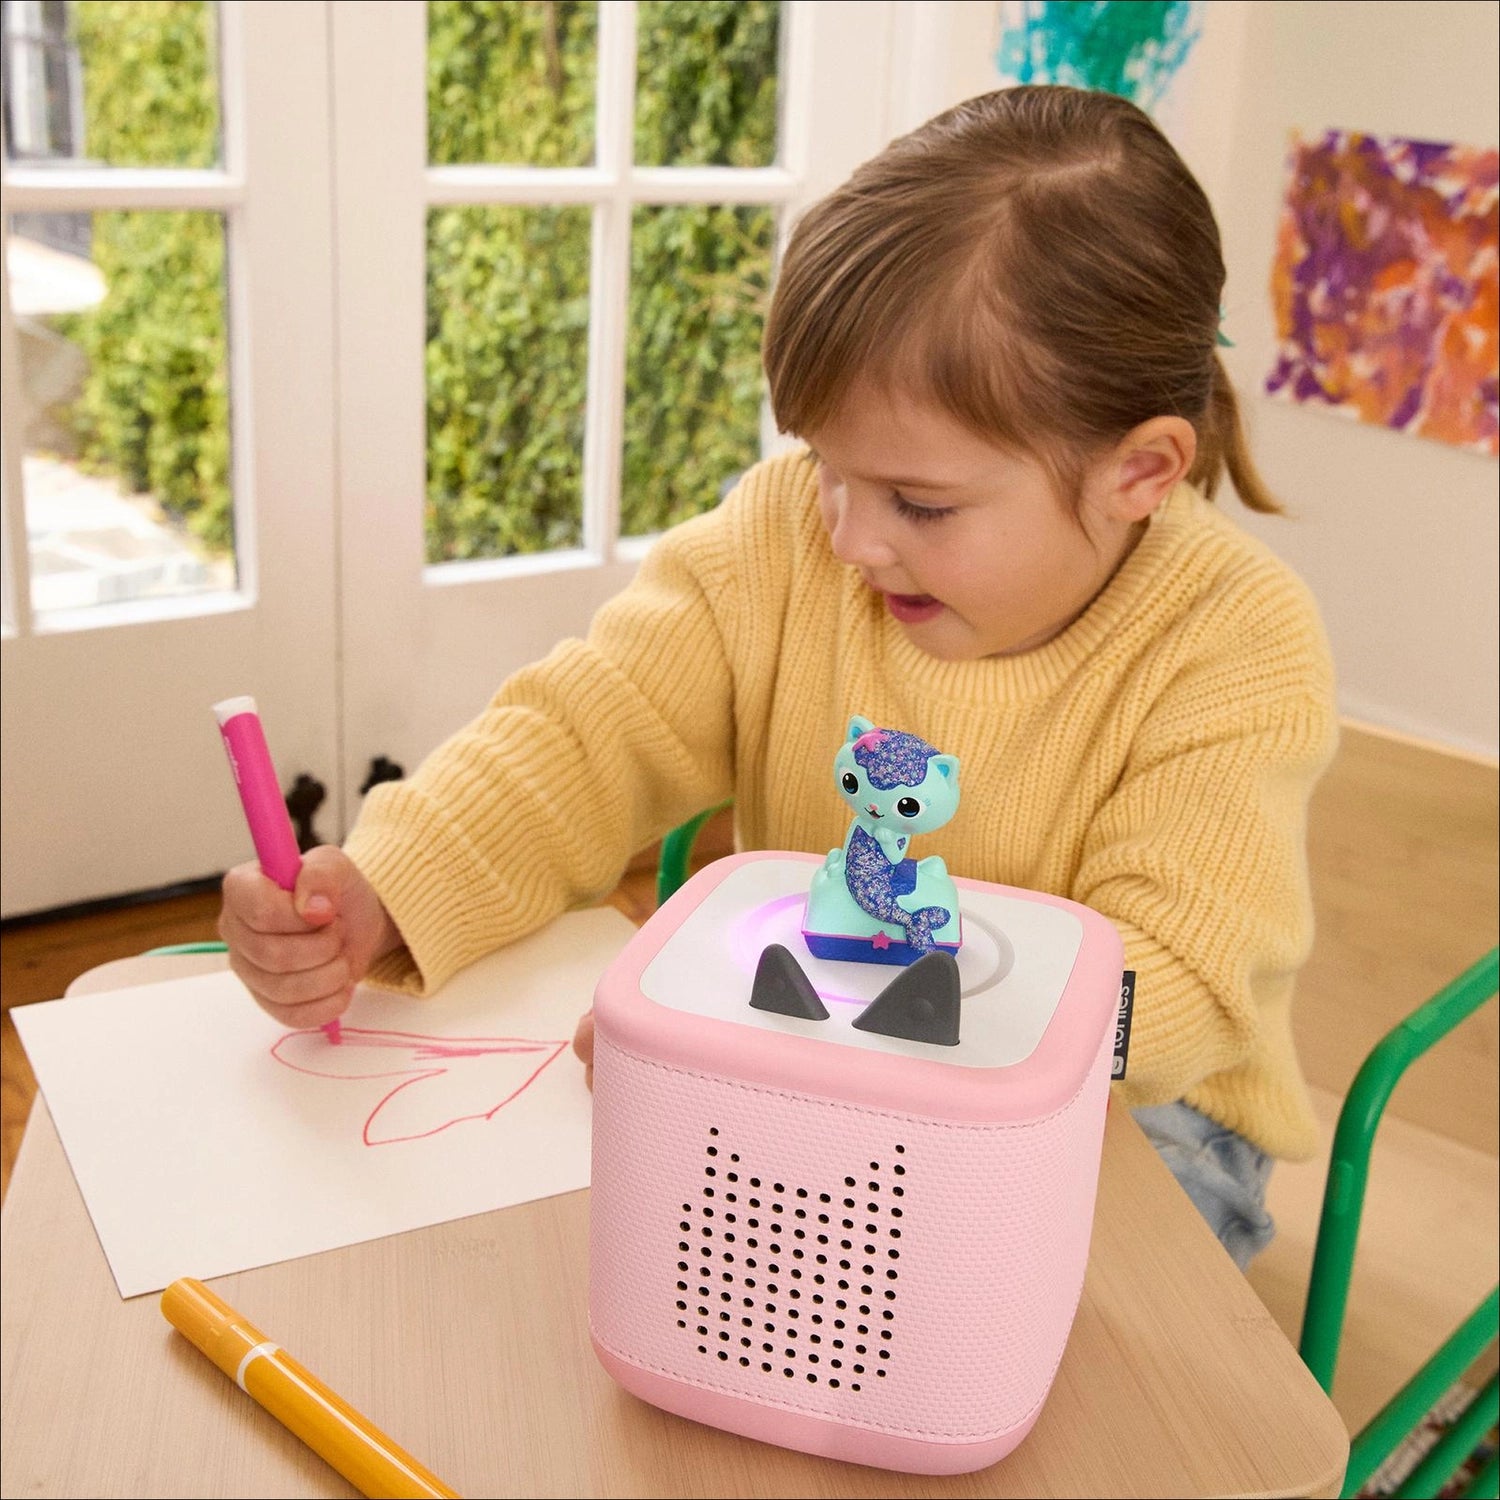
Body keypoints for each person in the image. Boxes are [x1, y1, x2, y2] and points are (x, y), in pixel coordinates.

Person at [218, 86, 1337, 1271]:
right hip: (803, 1075)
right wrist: (394, 881)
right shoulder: (784, 542)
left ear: (1142, 472)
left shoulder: (1236, 638)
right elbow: (586, 734)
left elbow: (1166, 986)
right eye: (824, 466)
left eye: (920, 502)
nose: (850, 538)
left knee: (986, 1359)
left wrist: (776, 1020)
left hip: (1137, 1117)